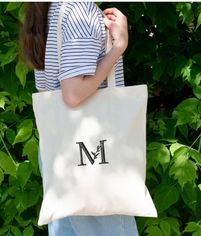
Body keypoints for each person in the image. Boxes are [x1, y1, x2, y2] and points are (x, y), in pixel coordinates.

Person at [20, 2, 138, 236]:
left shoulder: (51, 7)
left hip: (61, 153)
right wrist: (118, 47)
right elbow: (73, 93)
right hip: (93, 155)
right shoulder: (80, 10)